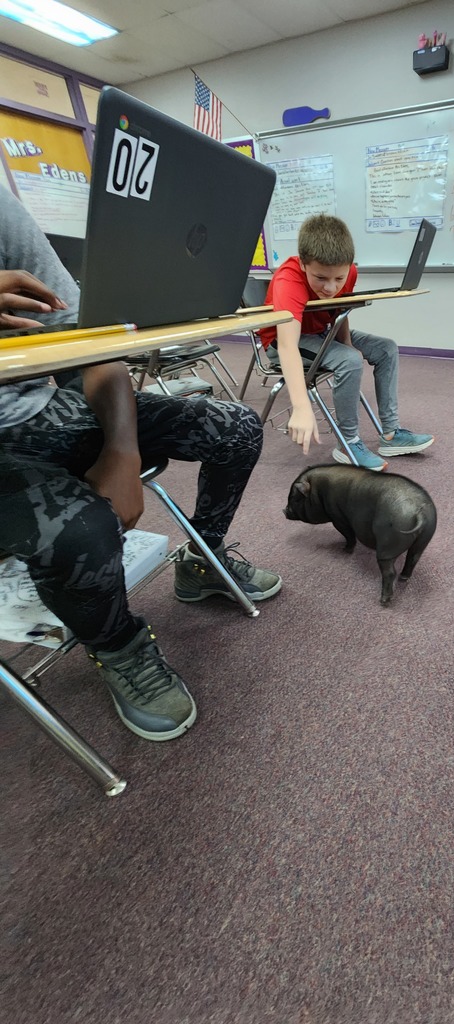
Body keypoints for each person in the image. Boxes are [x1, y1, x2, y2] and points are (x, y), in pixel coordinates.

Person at [0, 188, 280, 742]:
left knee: (236, 428)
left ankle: (203, 558)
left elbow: (91, 340)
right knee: (80, 529)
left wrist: (122, 450)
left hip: (46, 408)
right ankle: (119, 648)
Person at [259, 214, 434, 471]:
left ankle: (391, 434)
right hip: (281, 342)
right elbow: (287, 345)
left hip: (321, 332)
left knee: (386, 348)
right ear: (304, 264)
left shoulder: (348, 271)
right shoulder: (288, 280)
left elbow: (339, 311)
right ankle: (348, 443)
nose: (331, 287)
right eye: (321, 278)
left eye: (338, 279)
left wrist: (347, 343)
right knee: (349, 360)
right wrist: (301, 406)